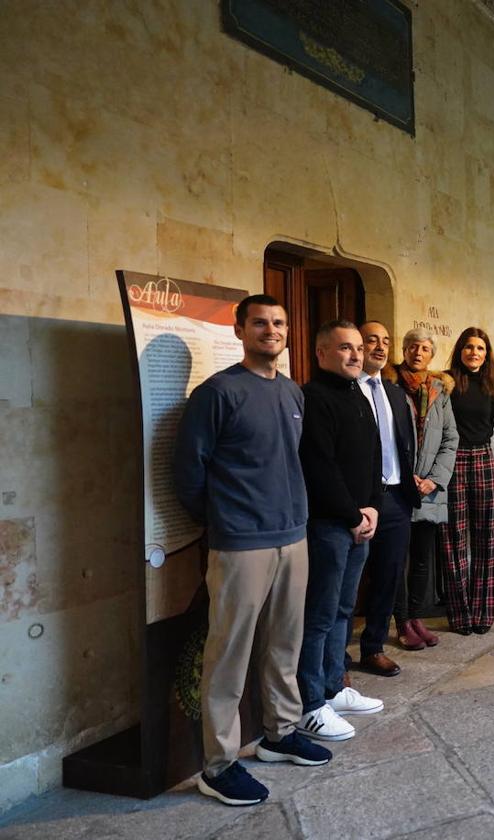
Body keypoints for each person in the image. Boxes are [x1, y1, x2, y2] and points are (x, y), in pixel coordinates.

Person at [174, 294, 330, 806]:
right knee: (229, 652)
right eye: (260, 323)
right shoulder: (217, 393)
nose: (271, 330)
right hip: (242, 541)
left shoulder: (291, 392)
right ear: (240, 330)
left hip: (293, 534)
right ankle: (217, 766)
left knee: (285, 643)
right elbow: (189, 472)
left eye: (279, 323)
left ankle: (280, 733)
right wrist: (224, 519)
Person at [296, 320, 384, 741]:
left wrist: (374, 509)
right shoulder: (313, 398)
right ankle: (310, 703)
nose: (355, 355)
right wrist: (353, 516)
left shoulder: (359, 395)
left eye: (358, 349)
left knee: (344, 610)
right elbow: (319, 467)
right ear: (322, 353)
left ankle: (333, 687)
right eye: (345, 348)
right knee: (319, 615)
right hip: (330, 526)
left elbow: (372, 457)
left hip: (358, 524)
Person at [355, 321, 421, 676]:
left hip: (396, 498)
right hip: (358, 502)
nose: (379, 348)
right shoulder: (348, 390)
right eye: (371, 341)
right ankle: (334, 660)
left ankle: (373, 647)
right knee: (348, 582)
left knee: (389, 576)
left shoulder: (395, 393)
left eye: (384, 342)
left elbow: (403, 444)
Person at [391, 327, 459, 649]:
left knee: (421, 558)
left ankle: (417, 617)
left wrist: (434, 478)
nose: (418, 353)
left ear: (432, 355)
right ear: (404, 350)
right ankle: (401, 622)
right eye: (412, 347)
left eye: (425, 349)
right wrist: (408, 477)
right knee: (395, 559)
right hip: (399, 487)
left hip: (430, 488)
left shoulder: (439, 391)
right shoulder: (390, 386)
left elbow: (450, 438)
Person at [440, 327, 494, 635]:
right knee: (454, 538)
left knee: (486, 538)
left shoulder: (492, 386)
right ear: (460, 350)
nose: (474, 352)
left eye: (479, 348)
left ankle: (483, 611)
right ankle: (460, 614)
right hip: (454, 460)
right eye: (468, 347)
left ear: (487, 353)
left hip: (483, 458)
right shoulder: (447, 382)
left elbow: (493, 427)